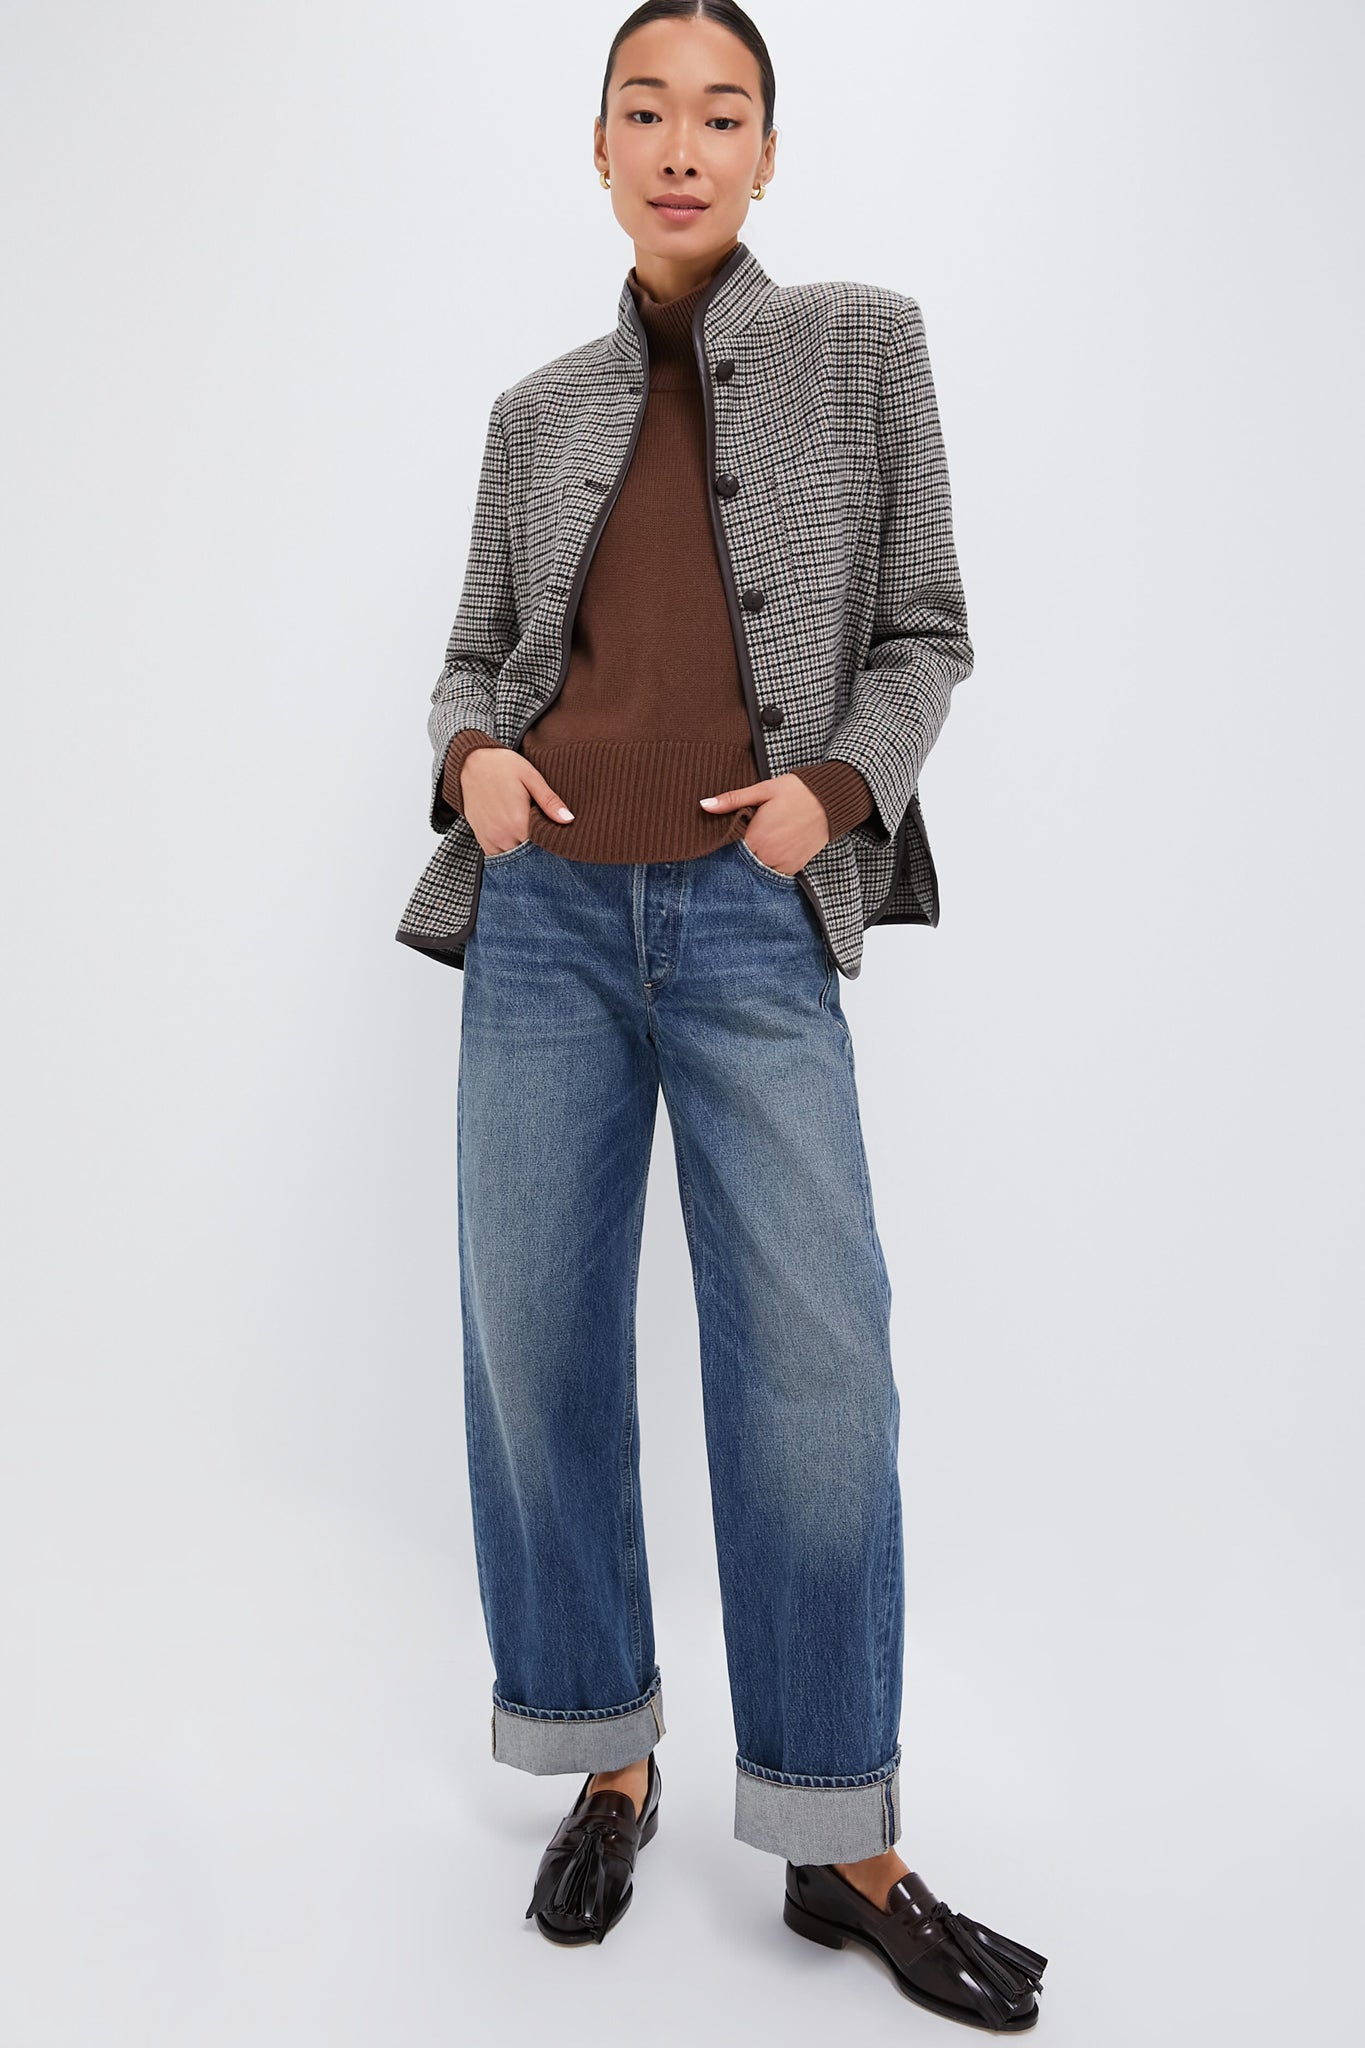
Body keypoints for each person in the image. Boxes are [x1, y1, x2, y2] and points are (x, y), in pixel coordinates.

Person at [396, 2, 1048, 2028]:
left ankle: (839, 1840)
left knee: (814, 1372)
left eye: (721, 113)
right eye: (645, 111)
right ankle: (605, 1758)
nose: (681, 145)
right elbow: (471, 658)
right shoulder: (531, 413)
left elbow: (925, 628)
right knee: (535, 1346)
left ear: (766, 152)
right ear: (597, 149)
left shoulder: (864, 346)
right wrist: (473, 763)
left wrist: (828, 796)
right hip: (543, 924)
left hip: (754, 919)